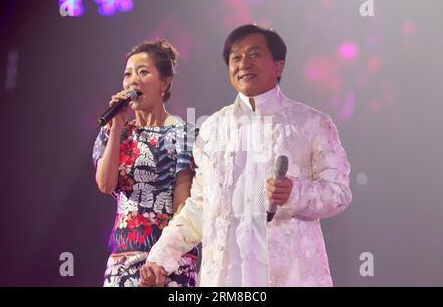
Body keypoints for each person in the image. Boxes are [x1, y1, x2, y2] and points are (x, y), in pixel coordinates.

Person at [141, 24, 352, 287]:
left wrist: (294, 193)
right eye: (235, 57)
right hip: (226, 276)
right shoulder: (212, 129)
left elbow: (339, 193)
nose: (243, 63)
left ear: (279, 66)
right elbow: (199, 207)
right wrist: (161, 257)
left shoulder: (311, 124)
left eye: (254, 54)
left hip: (291, 274)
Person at [92, 39, 198, 287]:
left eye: (143, 72)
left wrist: (164, 259)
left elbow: (186, 204)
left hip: (173, 261)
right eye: (128, 74)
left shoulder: (186, 134)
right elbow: (106, 185)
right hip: (123, 262)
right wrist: (117, 125)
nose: (133, 81)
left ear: (165, 82)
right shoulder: (112, 133)